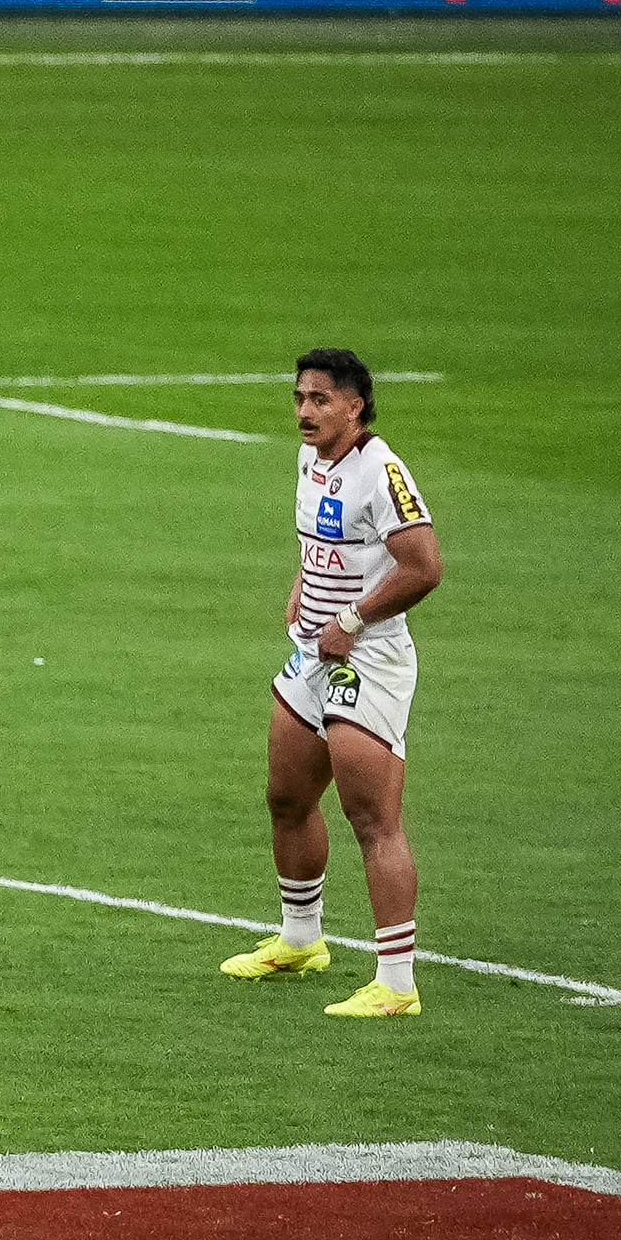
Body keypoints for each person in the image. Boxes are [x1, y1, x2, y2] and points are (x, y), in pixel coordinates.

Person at [226, 351, 442, 1018]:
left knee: (372, 817)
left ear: (355, 405)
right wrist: (304, 586)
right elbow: (324, 543)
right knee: (286, 796)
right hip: (313, 653)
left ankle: (397, 983)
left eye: (319, 399)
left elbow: (423, 567)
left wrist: (349, 619)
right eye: (299, 398)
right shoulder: (310, 459)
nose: (304, 411)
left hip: (367, 658)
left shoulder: (382, 471)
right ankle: (301, 940)